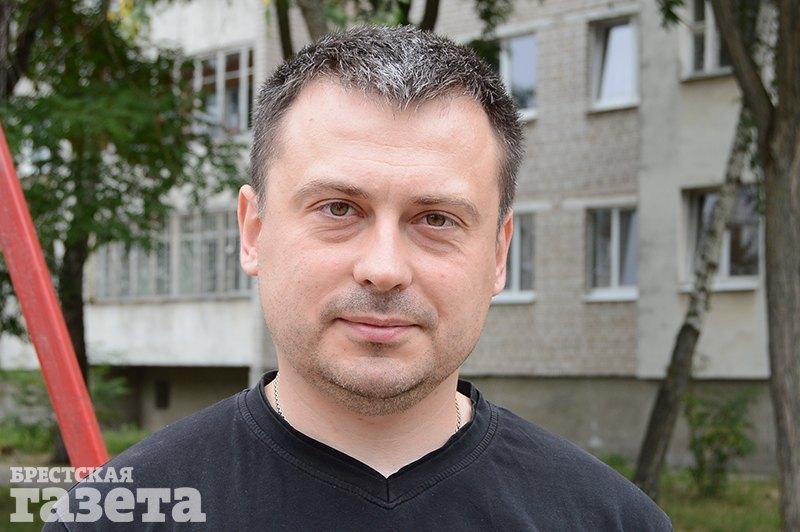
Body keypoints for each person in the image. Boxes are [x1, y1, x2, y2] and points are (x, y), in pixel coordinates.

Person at [44, 25, 672, 530]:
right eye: (339, 209)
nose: (384, 269)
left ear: (499, 253)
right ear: (254, 232)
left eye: (436, 219)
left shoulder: (612, 521)